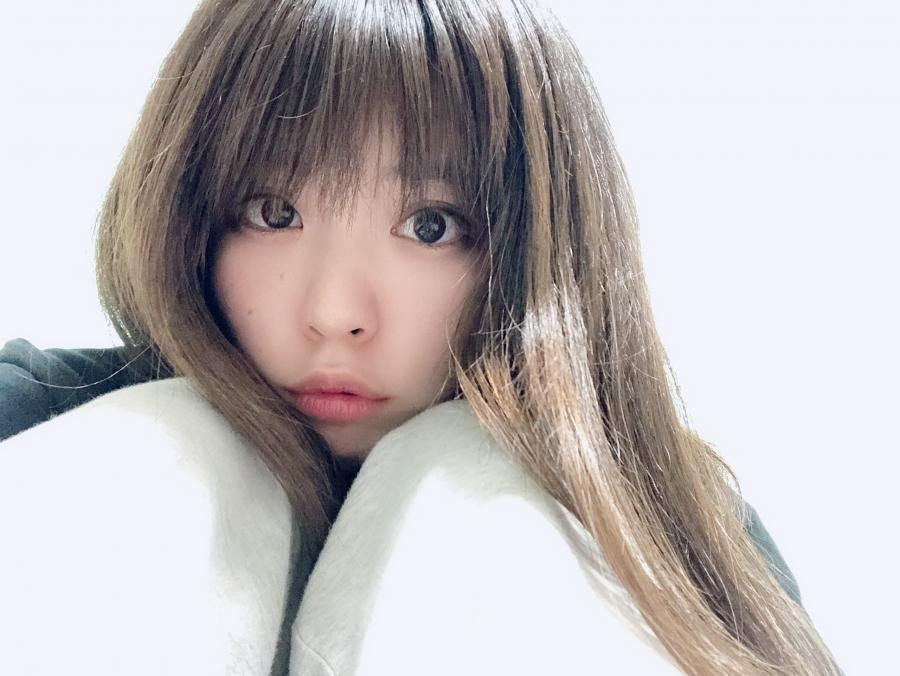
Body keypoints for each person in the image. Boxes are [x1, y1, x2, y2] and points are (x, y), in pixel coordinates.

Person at [0, 0, 841, 673]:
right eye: (273, 212)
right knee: (167, 439)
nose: (335, 311)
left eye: (430, 225)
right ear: (190, 217)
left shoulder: (676, 523)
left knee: (484, 466)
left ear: (531, 247)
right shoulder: (48, 416)